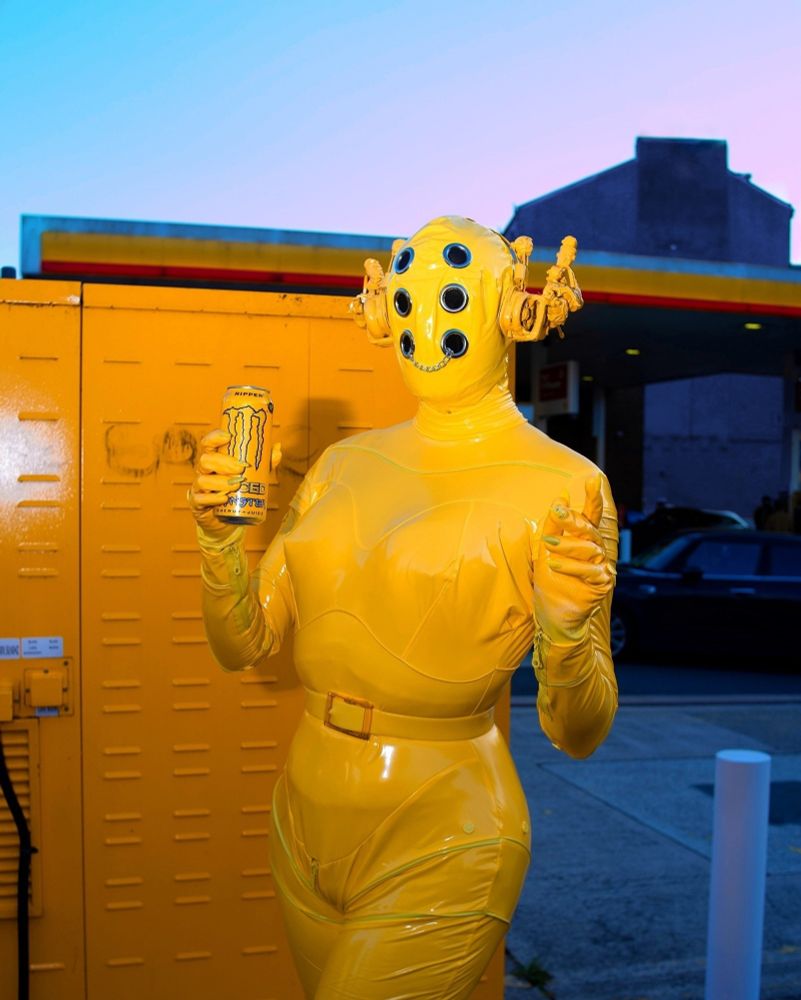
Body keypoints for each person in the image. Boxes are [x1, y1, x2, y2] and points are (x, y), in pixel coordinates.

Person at [188, 217, 618, 1000]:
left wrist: (562, 632)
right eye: (411, 298)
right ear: (381, 308)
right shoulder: (342, 463)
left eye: (451, 296)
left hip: (446, 828)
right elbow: (241, 643)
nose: (428, 324)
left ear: (509, 308)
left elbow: (578, 730)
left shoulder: (563, 485)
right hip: (303, 814)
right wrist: (217, 540)